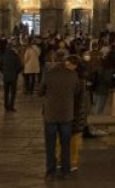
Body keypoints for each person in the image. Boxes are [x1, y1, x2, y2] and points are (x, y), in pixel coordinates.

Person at [37, 52, 83, 180]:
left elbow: (40, 92)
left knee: (50, 145)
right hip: (66, 115)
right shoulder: (73, 76)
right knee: (65, 144)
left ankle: (50, 172)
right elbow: (77, 92)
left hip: (50, 115)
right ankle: (65, 171)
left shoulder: (48, 74)